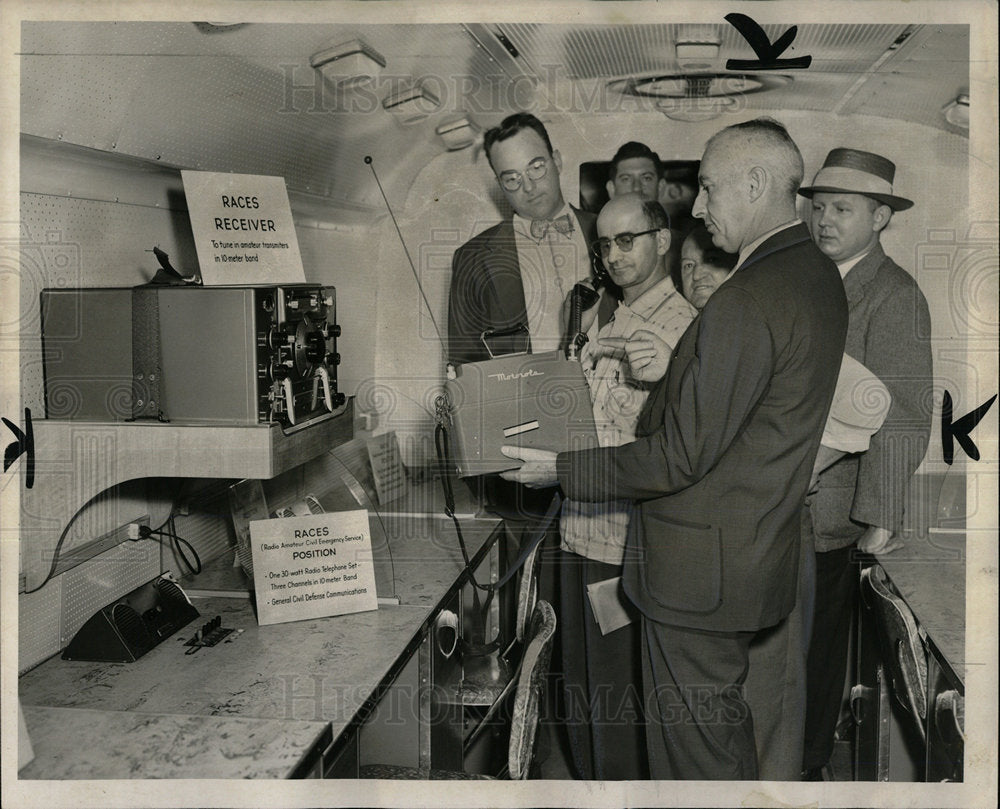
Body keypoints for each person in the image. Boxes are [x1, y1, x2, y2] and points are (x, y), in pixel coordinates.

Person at [501, 118, 849, 780]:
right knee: (717, 740)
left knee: (694, 762)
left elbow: (676, 458)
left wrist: (561, 468)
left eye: (711, 188)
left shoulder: (747, 297)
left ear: (756, 182)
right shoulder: (813, 276)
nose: (696, 204)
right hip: (744, 560)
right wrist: (679, 369)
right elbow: (746, 413)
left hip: (698, 579)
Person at [679, 222, 891, 780]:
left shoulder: (774, 328)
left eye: (714, 265)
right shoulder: (689, 339)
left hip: (767, 537)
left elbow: (869, 404)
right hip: (703, 551)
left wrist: (804, 465)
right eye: (687, 265)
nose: (700, 277)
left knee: (769, 698)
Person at [797, 147, 933, 779]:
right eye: (819, 207)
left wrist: (880, 514)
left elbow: (903, 413)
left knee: (817, 654)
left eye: (842, 209)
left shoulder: (894, 293)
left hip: (832, 511)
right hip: (784, 503)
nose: (825, 220)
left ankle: (807, 768)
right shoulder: (807, 278)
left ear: (880, 217)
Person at [558, 193, 696, 780]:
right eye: (604, 244)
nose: (612, 255)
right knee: (581, 697)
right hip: (578, 532)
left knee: (617, 708)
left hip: (624, 549)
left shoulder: (683, 329)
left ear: (662, 241)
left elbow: (674, 453)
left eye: (627, 240)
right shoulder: (606, 318)